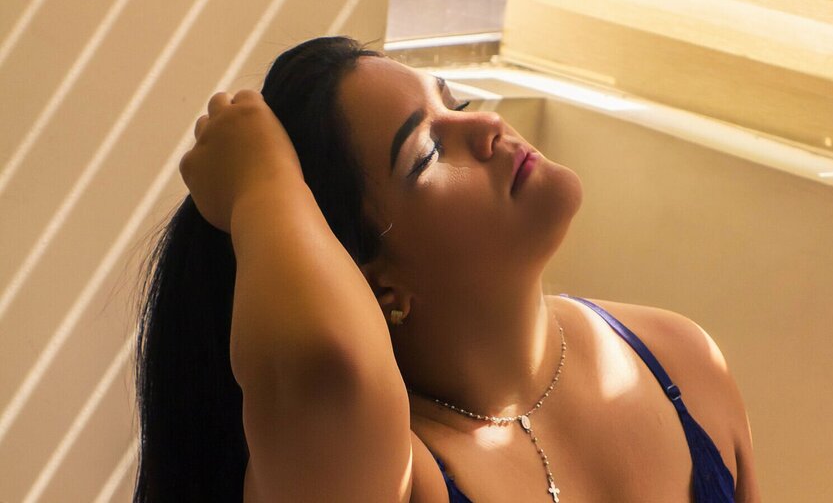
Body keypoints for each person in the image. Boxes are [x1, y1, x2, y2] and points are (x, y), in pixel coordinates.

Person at [133, 36, 760, 502]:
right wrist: (259, 181)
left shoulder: (682, 359)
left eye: (455, 102)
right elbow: (329, 364)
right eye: (427, 151)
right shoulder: (385, 475)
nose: (486, 125)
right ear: (378, 285)